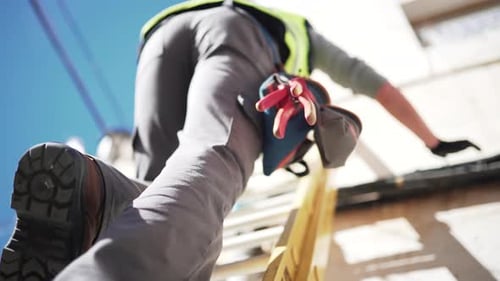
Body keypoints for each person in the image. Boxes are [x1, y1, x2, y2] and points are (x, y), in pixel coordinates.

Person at [0, 1, 480, 280]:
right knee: (212, 163)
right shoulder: (300, 33)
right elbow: (374, 83)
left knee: (152, 187)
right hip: (237, 38)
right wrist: (433, 141)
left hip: (160, 40)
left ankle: (94, 187)